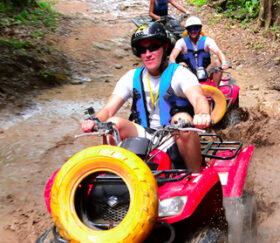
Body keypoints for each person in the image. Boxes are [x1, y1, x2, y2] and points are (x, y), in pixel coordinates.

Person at [81, 22, 211, 173]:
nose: (148, 54)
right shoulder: (131, 77)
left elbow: (198, 99)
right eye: (143, 50)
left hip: (173, 135)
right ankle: (113, 176)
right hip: (144, 136)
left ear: (165, 47)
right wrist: (95, 120)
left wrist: (202, 114)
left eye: (153, 47)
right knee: (112, 125)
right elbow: (109, 109)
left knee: (182, 119)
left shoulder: (180, 74)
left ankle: (196, 175)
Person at [169, 16, 229, 86]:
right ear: (187, 30)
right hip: (189, 73)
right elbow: (172, 56)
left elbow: (218, 52)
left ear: (200, 29)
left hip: (206, 72)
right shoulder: (181, 42)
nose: (193, 31)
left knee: (218, 63)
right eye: (190, 29)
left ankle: (215, 90)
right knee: (181, 64)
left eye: (196, 29)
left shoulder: (207, 41)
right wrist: (174, 66)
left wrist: (224, 62)